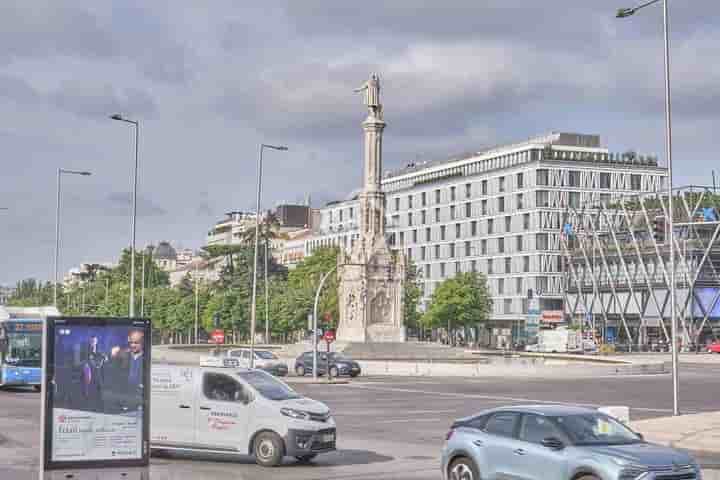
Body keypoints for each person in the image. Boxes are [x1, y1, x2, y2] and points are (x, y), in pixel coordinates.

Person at [106, 330, 145, 411]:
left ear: (143, 342)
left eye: (136, 342)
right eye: (131, 342)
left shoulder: (145, 357)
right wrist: (112, 355)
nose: (133, 345)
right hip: (126, 395)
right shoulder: (125, 354)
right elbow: (112, 364)